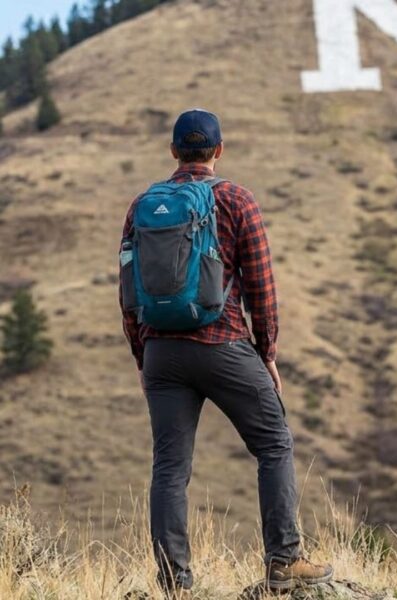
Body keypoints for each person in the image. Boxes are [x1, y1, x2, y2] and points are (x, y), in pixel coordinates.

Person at [118, 109, 333, 595]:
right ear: (219, 150)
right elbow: (261, 285)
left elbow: (128, 290)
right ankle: (284, 561)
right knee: (274, 443)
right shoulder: (236, 199)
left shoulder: (141, 206)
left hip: (161, 354)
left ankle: (175, 583)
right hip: (224, 345)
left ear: (173, 152)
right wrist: (268, 352)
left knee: (170, 468)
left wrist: (142, 355)